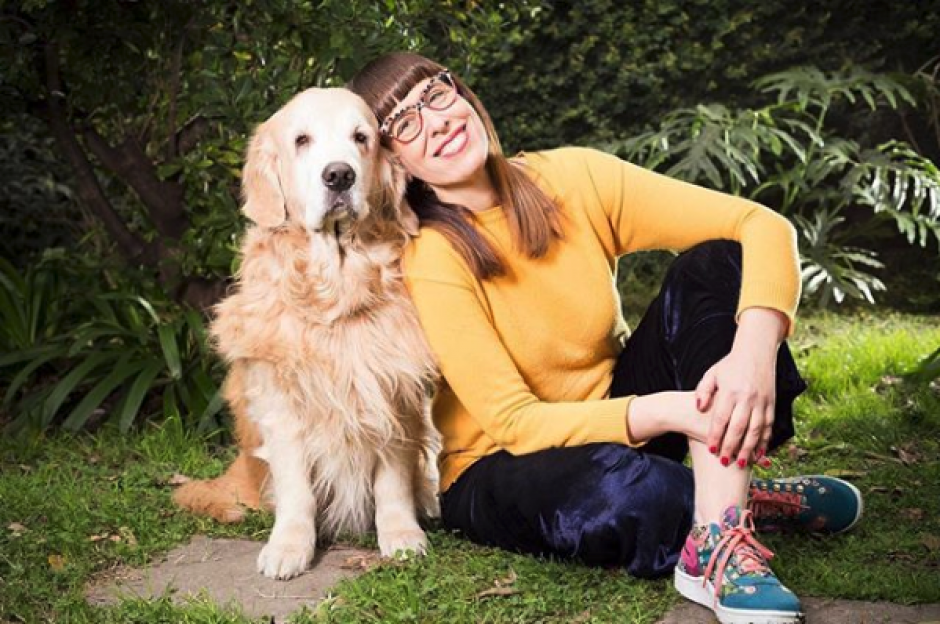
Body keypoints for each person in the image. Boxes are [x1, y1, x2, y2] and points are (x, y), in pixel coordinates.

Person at [347, 53, 863, 624]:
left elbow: (762, 226)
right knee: (634, 495)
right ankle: (742, 502)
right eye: (405, 122)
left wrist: (753, 355)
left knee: (715, 262)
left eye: (435, 94)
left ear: (462, 92)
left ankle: (716, 538)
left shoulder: (572, 177)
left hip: (615, 413)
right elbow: (516, 422)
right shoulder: (433, 258)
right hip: (498, 462)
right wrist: (675, 409)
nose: (436, 121)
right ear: (396, 162)